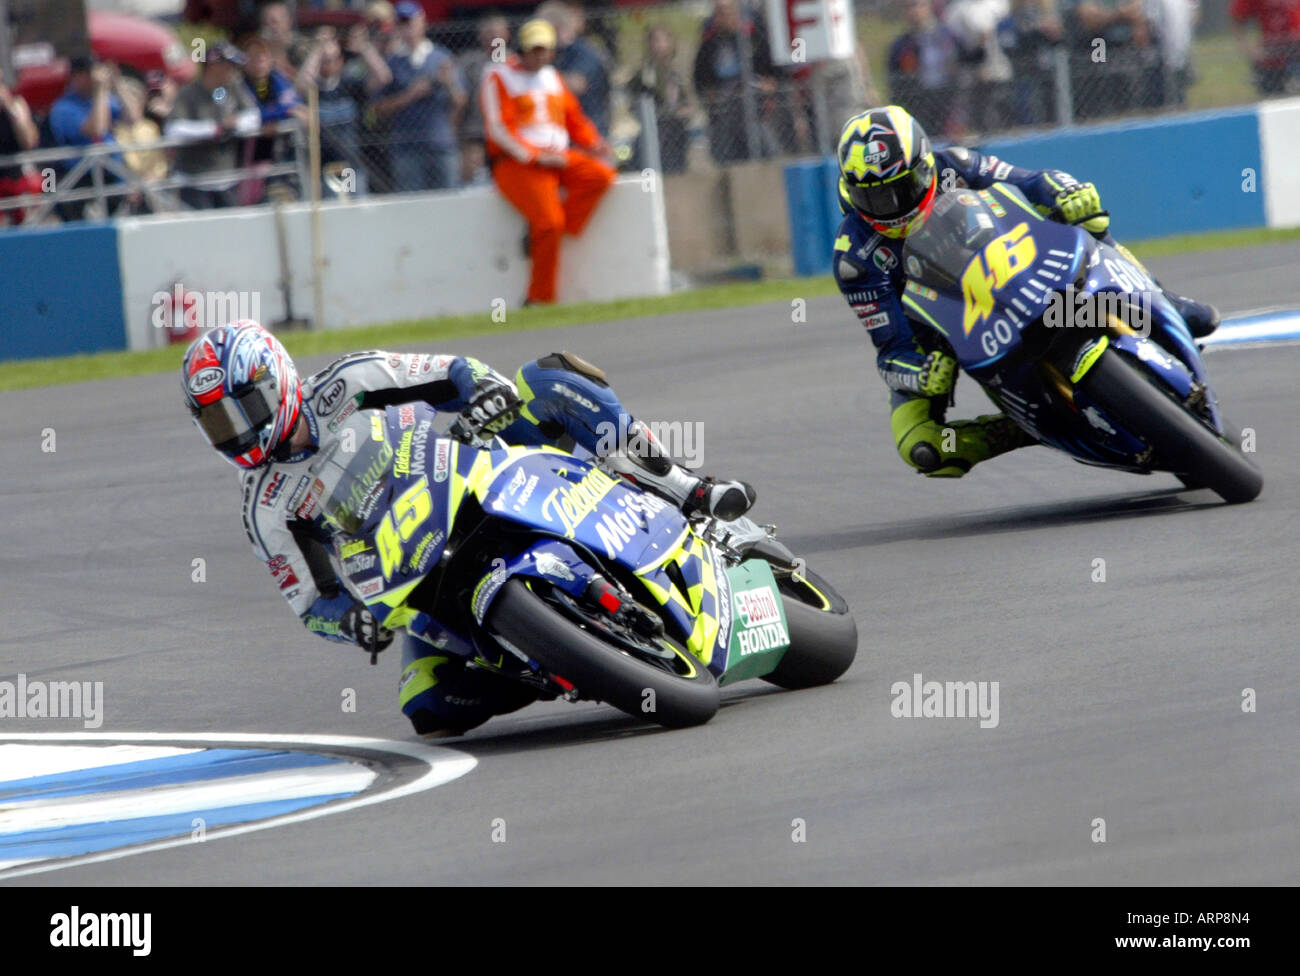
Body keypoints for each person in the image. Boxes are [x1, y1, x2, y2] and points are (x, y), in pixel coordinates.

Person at [181, 322, 755, 735]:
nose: (236, 431)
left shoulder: (348, 383)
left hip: (477, 475)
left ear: (275, 377)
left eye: (242, 408)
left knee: (549, 378)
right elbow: (312, 601)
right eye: (216, 422)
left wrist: (484, 393)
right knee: (429, 709)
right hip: (418, 576)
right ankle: (555, 659)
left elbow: (451, 371)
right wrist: (350, 622)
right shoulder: (265, 506)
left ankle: (682, 485)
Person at [831, 105, 1220, 478]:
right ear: (851, 191)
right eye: (875, 197)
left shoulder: (958, 166)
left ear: (924, 165)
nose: (891, 206)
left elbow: (1031, 181)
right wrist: (921, 374)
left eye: (902, 188)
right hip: (943, 337)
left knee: (1089, 219)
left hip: (1014, 268)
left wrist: (1066, 191)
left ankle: (1163, 301)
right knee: (923, 446)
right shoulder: (855, 259)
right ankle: (1019, 429)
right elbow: (892, 349)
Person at [481, 18, 616, 305]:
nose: (541, 55)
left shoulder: (553, 77)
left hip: (558, 156)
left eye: (546, 49)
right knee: (549, 222)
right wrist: (536, 156)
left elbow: (574, 120)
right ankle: (539, 298)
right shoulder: (499, 75)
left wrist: (595, 143)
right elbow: (498, 129)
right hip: (518, 163)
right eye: (535, 49)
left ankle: (542, 236)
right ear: (523, 48)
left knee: (600, 177)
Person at [374, 0, 465, 192]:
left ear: (422, 22)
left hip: (441, 144)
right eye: (402, 23)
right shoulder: (391, 62)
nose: (407, 28)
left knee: (449, 202)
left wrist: (448, 83)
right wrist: (410, 95)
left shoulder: (442, 57)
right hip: (406, 148)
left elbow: (460, 101)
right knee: (411, 207)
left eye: (410, 22)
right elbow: (378, 109)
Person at [166, 43, 261, 209]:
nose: (232, 71)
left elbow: (254, 116)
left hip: (226, 181)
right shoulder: (189, 93)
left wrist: (235, 123)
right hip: (194, 183)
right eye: (228, 66)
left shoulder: (231, 88)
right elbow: (173, 129)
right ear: (214, 67)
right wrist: (213, 129)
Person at [692, 0, 780, 163]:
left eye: (726, 12)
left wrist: (770, 83)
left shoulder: (754, 35)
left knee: (766, 152)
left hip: (756, 109)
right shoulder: (709, 44)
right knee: (725, 156)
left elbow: (773, 68)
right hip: (724, 111)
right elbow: (700, 78)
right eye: (719, 13)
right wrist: (709, 95)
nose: (722, 17)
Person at [627, 24, 693, 174]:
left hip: (675, 132)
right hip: (653, 132)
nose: (660, 46)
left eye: (664, 41)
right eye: (656, 41)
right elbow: (635, 102)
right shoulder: (643, 76)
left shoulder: (676, 74)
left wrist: (682, 111)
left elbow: (686, 101)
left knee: (676, 171)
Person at [457, 15, 511, 185]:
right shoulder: (469, 62)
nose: (493, 37)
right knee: (472, 176)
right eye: (488, 33)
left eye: (497, 33)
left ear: (507, 35)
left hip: (508, 129)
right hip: (476, 129)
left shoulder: (515, 62)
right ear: (480, 37)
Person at [1231, 0, 1300, 95]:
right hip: (1271, 60)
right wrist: (1251, 51)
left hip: (1296, 53)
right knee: (1276, 101)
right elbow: (1237, 20)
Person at [0, 80, 41, 225]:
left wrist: (12, 112)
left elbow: (29, 142)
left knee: (45, 182)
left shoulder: (17, 105)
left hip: (18, 177)